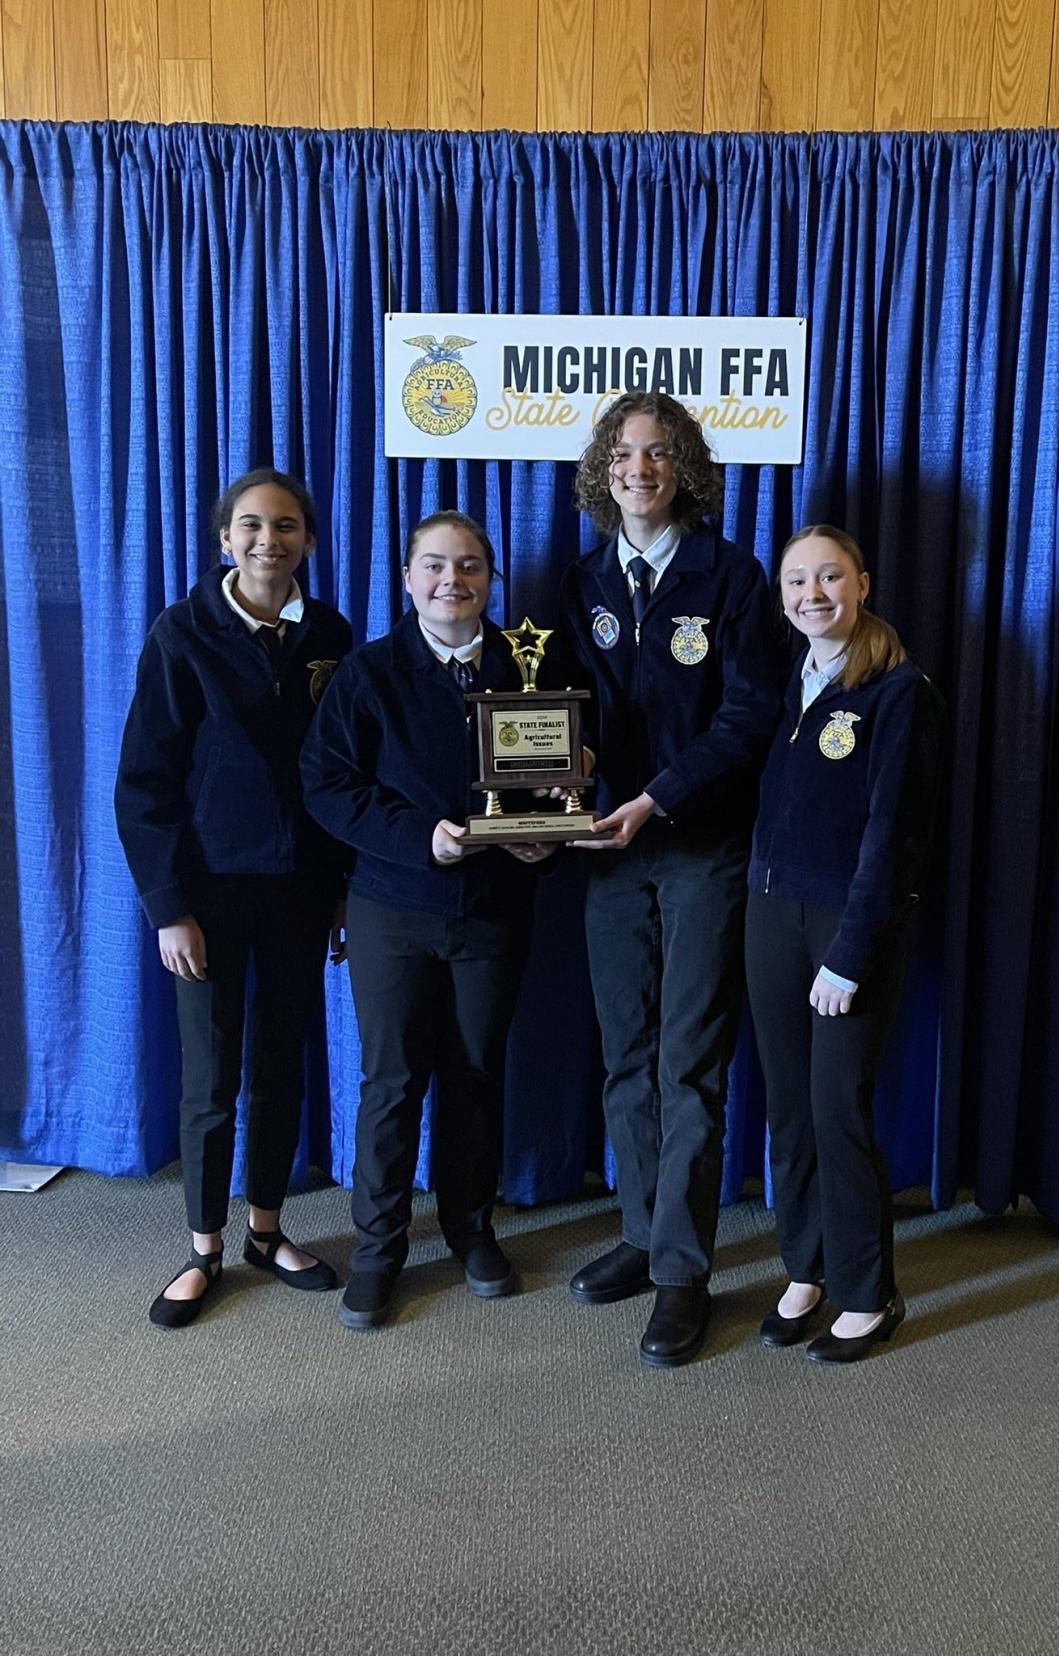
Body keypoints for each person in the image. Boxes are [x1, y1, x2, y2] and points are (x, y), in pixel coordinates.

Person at [561, 392, 782, 1367]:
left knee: (687, 1060)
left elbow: (749, 718)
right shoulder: (577, 582)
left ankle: (684, 1273)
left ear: (684, 466)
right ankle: (644, 1234)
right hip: (608, 855)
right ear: (602, 470)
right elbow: (555, 717)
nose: (637, 467)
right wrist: (554, 797)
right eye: (621, 452)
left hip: (700, 848)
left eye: (656, 452)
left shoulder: (733, 577)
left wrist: (654, 797)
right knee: (625, 1053)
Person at [300, 511, 553, 1331]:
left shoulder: (529, 667)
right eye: (436, 566)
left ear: (491, 580)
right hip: (393, 907)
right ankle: (378, 1250)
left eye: (472, 566)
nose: (454, 580)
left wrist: (545, 828)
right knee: (393, 1080)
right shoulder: (368, 674)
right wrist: (421, 839)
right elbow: (327, 785)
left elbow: (551, 778)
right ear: (407, 579)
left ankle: (469, 1230)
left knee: (478, 1074)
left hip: (494, 909)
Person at [115, 468, 352, 1328]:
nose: (268, 540)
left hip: (298, 893)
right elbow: (143, 784)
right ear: (223, 540)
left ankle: (266, 1228)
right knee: (213, 1079)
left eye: (286, 526)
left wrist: (340, 892)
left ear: (309, 542)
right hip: (207, 897)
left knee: (281, 1064)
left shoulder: (331, 634)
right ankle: (204, 1246)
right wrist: (166, 906)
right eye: (250, 526)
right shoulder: (181, 635)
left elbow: (341, 777)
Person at [744, 525, 941, 1362]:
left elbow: (893, 839)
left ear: (863, 583)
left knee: (837, 1111)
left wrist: (849, 954)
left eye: (829, 578)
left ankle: (869, 1291)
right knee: (789, 1112)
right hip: (770, 918)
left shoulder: (899, 693)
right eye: (796, 582)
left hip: (847, 930)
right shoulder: (789, 681)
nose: (812, 595)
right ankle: (807, 1268)